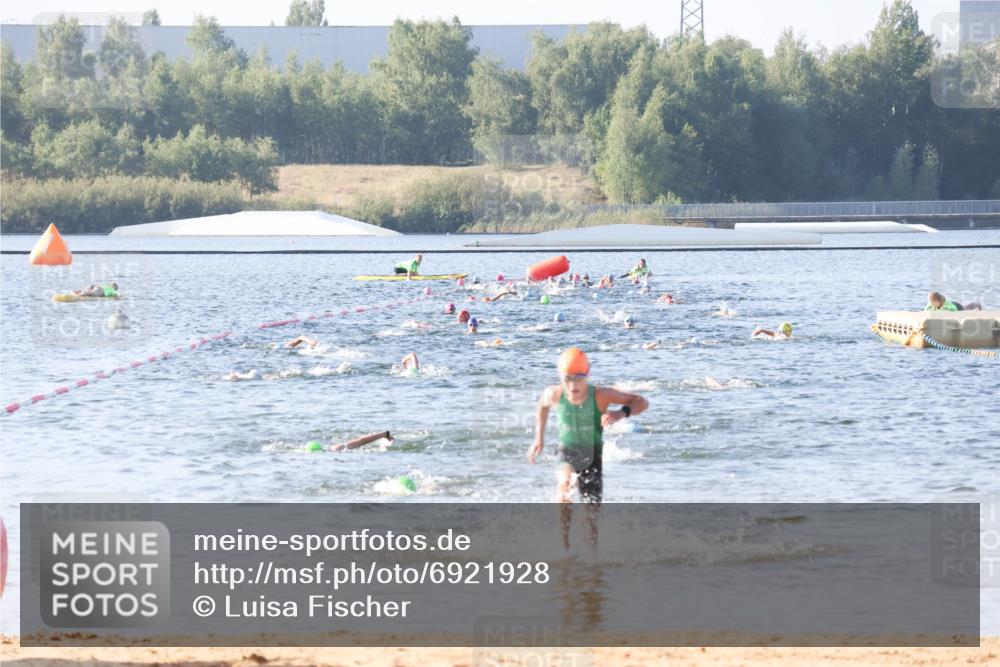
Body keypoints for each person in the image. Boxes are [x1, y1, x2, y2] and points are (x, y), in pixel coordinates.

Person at [527, 348, 649, 547]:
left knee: (589, 517)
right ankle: (563, 545)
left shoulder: (601, 395)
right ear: (561, 377)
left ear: (587, 375)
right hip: (567, 451)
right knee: (564, 487)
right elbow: (542, 406)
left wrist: (621, 413)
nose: (573, 385)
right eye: (567, 379)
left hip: (592, 456)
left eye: (578, 378)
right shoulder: (554, 393)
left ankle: (591, 556)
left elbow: (642, 402)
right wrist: (538, 439)